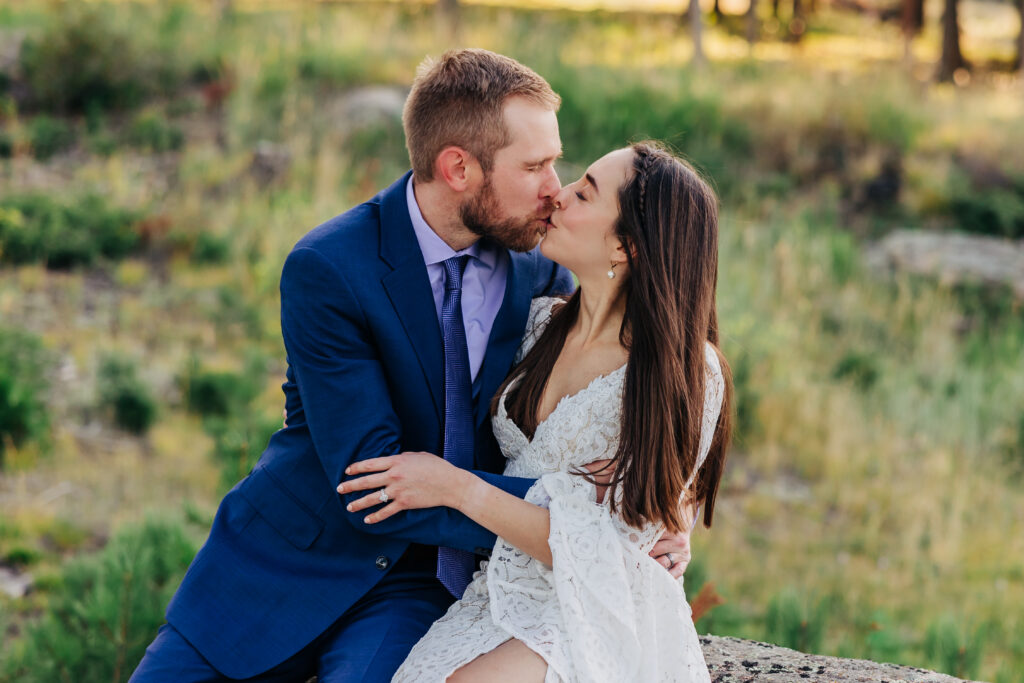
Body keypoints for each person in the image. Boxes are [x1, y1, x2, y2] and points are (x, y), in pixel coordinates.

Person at [130, 50, 692, 683]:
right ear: (458, 167)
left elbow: (628, 410)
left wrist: (651, 522)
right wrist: (592, 531)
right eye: (535, 165)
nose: (553, 188)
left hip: (424, 585)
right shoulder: (331, 267)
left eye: (555, 163)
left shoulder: (544, 271)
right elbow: (374, 479)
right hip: (288, 560)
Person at [340, 141, 733, 682]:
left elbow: (614, 543)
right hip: (495, 587)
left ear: (626, 247)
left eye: (584, 193)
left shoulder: (683, 370)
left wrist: (457, 488)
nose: (558, 194)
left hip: (595, 607)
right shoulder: (538, 324)